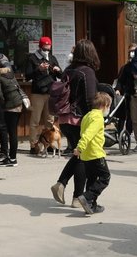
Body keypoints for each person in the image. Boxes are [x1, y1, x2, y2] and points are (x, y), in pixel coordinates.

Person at [50, 39, 101, 203]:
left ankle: (63, 185)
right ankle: (77, 197)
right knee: (82, 157)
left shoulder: (67, 70)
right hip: (79, 119)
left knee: (78, 156)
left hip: (64, 119)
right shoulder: (87, 72)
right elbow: (90, 99)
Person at [74, 91, 113, 216]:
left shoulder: (87, 116)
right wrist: (79, 147)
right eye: (109, 107)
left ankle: (91, 205)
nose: (108, 109)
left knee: (91, 179)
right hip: (95, 154)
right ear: (104, 105)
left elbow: (82, 132)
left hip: (86, 155)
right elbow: (88, 134)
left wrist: (81, 149)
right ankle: (87, 197)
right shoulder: (98, 118)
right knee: (105, 177)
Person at [24, 36, 61, 153]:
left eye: (48, 48)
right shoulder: (32, 58)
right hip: (37, 93)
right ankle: (33, 145)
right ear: (40, 47)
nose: (47, 51)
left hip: (50, 92)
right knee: (35, 120)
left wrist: (58, 70)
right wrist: (38, 69)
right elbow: (27, 75)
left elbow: (61, 75)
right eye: (44, 48)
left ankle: (48, 144)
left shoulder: (52, 58)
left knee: (49, 121)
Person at [0, 65, 24, 166]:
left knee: (12, 132)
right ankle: (11, 158)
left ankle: (13, 159)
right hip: (19, 103)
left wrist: (2, 104)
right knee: (13, 131)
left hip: (10, 106)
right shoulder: (9, 74)